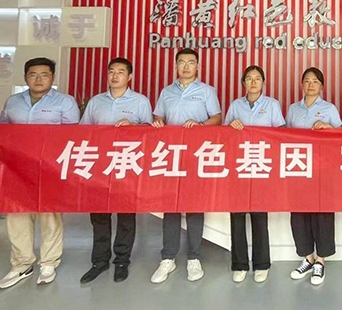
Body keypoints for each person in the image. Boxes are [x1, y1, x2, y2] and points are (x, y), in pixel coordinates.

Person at [0, 58, 80, 288]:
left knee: (50, 215)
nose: (38, 79)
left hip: (50, 168)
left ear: (52, 77)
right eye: (33, 74)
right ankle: (22, 264)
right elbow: (5, 132)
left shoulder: (65, 102)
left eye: (44, 75)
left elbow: (74, 136)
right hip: (17, 170)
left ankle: (48, 263)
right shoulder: (13, 102)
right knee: (17, 215)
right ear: (25, 77)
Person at [150, 48, 222, 284]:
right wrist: (158, 122)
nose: (186, 66)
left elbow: (217, 118)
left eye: (191, 62)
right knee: (170, 206)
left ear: (197, 66)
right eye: (182, 62)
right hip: (171, 155)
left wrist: (200, 125)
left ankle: (194, 257)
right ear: (176, 66)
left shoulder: (206, 91)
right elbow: (158, 116)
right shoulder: (166, 92)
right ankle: (168, 257)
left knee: (193, 206)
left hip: (196, 155)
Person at [79, 57, 153, 284]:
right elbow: (83, 132)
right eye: (111, 71)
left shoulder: (140, 101)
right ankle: (99, 261)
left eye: (120, 72)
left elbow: (150, 131)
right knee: (99, 216)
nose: (115, 76)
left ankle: (122, 260)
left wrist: (133, 127)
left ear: (129, 77)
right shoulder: (96, 101)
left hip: (126, 165)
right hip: (99, 166)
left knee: (126, 215)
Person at [225, 65, 285, 284]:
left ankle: (261, 264)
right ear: (243, 83)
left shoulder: (272, 105)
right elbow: (224, 135)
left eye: (257, 78)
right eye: (249, 79)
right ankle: (240, 264)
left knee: (259, 217)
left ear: (263, 83)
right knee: (237, 216)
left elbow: (280, 133)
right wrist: (230, 126)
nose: (253, 82)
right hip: (239, 167)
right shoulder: (235, 105)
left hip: (261, 167)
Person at [285, 67, 342, 286]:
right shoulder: (293, 109)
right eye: (307, 81)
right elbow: (284, 136)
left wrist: (328, 127)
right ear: (302, 85)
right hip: (298, 168)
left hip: (323, 169)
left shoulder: (329, 108)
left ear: (321, 86)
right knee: (299, 213)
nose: (311, 85)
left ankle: (320, 261)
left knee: (322, 213)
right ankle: (307, 258)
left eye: (315, 81)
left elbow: (341, 135)